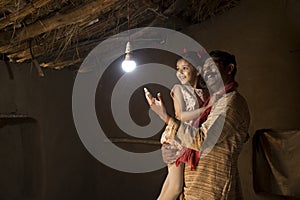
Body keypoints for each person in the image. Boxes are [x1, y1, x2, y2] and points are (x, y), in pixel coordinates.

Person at [145, 50, 250, 200]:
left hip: (211, 187)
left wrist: (165, 116)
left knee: (172, 188)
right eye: (205, 67)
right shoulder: (213, 101)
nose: (207, 71)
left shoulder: (230, 102)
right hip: (194, 184)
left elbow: (202, 139)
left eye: (211, 66)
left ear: (229, 69)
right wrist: (173, 148)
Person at [156, 52, 214, 200]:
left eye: (185, 68)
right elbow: (180, 115)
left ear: (198, 71)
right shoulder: (178, 89)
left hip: (190, 139)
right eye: (178, 68)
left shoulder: (205, 93)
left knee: (171, 184)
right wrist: (204, 109)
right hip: (177, 137)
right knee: (175, 187)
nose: (180, 72)